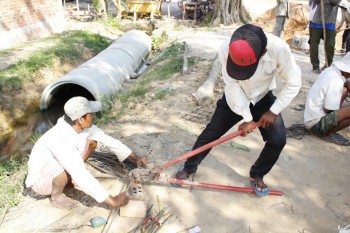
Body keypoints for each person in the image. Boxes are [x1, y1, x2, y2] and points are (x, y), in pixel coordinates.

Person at [173, 24, 302, 196]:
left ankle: (257, 174)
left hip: (263, 98)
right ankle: (188, 168)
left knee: (278, 140)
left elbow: (294, 82)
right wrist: (247, 119)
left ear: (263, 53)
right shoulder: (226, 49)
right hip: (236, 97)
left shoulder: (279, 49)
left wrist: (274, 110)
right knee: (211, 133)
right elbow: (232, 86)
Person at [25, 96, 147, 209]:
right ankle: (55, 197)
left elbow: (110, 141)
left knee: (92, 142)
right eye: (90, 114)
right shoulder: (59, 139)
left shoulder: (80, 126)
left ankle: (67, 180)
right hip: (39, 183)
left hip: (59, 169)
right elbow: (80, 174)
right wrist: (113, 201)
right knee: (64, 169)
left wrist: (136, 158)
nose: (93, 116)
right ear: (80, 120)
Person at [304, 52, 350, 146]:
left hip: (311, 118)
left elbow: (346, 85)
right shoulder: (336, 81)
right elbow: (328, 109)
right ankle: (329, 133)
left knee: (344, 90)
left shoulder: (331, 70)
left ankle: (329, 129)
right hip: (315, 125)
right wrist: (342, 111)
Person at [309, 0, 341, 73]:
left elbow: (335, 2)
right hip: (317, 20)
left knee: (330, 45)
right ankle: (315, 66)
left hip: (330, 22)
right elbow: (315, 2)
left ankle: (328, 64)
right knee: (313, 43)